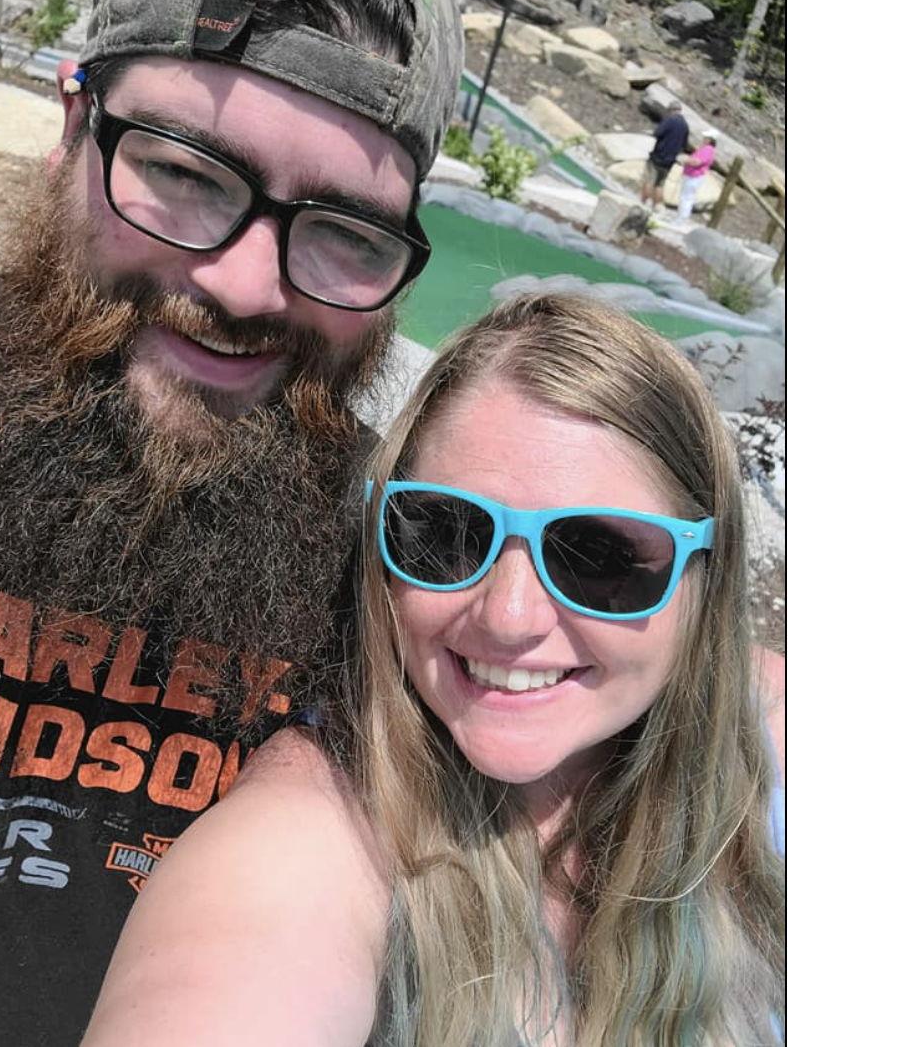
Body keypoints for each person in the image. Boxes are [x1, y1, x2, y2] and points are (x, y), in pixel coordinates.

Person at [0, 0, 463, 1043]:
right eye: (181, 172)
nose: (248, 286)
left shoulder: (415, 567)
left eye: (348, 233)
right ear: (73, 127)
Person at [81, 293, 785, 1046]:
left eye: (598, 556)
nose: (509, 617)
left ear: (708, 577)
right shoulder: (303, 846)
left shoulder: (778, 740)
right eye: (447, 534)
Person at [640, 101, 690, 208]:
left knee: (649, 180)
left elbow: (657, 133)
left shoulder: (669, 120)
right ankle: (656, 207)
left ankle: (643, 203)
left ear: (671, 110)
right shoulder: (685, 126)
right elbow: (684, 145)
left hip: (658, 157)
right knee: (660, 185)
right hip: (670, 161)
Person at [677, 130, 719, 221]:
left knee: (686, 198)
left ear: (710, 140)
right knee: (686, 197)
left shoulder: (707, 150)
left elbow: (697, 162)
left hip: (694, 176)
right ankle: (682, 217)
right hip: (692, 175)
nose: (704, 139)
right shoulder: (706, 149)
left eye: (706, 138)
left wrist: (685, 159)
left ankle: (681, 218)